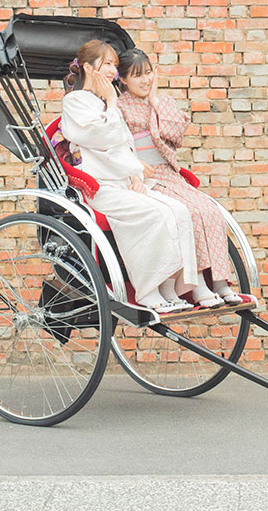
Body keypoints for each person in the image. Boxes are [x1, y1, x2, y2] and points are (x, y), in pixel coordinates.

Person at [59, 39, 197, 313]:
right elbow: (104, 138)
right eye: (107, 64)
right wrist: (111, 100)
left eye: (113, 64)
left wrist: (134, 172)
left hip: (122, 180)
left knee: (179, 211)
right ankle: (147, 290)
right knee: (153, 215)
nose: (112, 70)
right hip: (98, 186)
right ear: (88, 67)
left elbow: (125, 145)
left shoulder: (103, 102)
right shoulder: (75, 102)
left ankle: (170, 286)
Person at [115, 48, 242, 307]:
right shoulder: (119, 106)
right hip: (143, 175)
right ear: (123, 80)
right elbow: (118, 143)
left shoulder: (162, 101)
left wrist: (154, 102)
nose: (145, 80)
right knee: (188, 213)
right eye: (137, 75)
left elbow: (174, 136)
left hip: (168, 173)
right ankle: (198, 285)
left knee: (209, 210)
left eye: (148, 72)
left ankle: (219, 281)